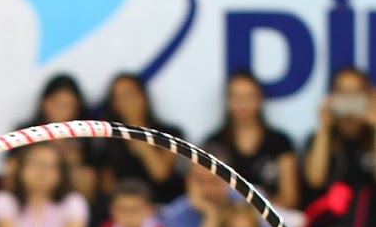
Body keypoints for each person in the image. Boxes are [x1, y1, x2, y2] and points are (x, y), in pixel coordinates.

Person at [301, 66, 376, 227]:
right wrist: (324, 127)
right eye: (343, 92)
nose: (349, 100)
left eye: (356, 92)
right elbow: (315, 178)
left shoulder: (370, 139)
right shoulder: (320, 139)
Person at [204, 70, 300, 210]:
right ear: (227, 100)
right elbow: (206, 191)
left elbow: (290, 197)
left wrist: (252, 212)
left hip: (271, 215)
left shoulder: (280, 142)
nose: (242, 103)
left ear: (260, 99)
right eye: (236, 97)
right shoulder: (214, 143)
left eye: (249, 96)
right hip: (226, 217)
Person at [96, 73, 186, 207]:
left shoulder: (170, 133)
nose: (125, 102)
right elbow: (108, 190)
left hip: (165, 206)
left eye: (129, 94)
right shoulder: (109, 141)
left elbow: (160, 174)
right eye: (118, 97)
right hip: (128, 209)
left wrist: (137, 127)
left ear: (143, 97)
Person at [24, 74, 99, 202]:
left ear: (77, 109)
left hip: (68, 200)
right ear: (44, 103)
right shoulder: (26, 133)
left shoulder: (84, 138)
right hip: (29, 199)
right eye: (57, 103)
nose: (61, 111)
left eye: (68, 105)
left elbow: (89, 183)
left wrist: (70, 161)